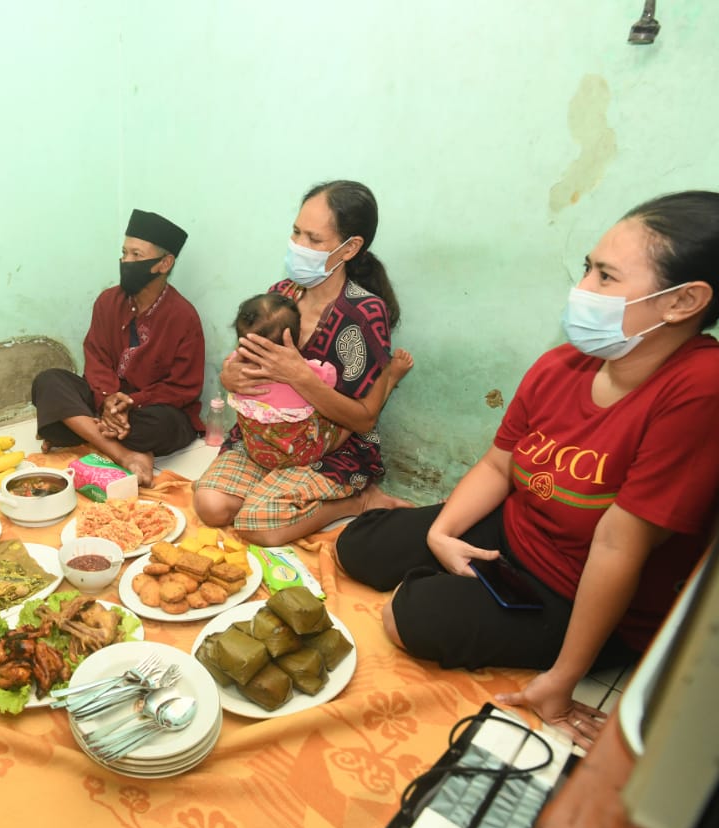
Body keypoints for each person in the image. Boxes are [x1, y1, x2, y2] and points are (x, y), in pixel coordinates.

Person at [335, 190, 719, 749]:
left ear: (683, 301)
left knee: (408, 617)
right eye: (587, 267)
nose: (582, 290)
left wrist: (562, 680)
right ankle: (468, 579)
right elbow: (499, 464)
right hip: (516, 534)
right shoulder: (562, 363)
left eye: (607, 277)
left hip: (578, 588)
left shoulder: (699, 389)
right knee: (357, 546)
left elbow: (617, 545)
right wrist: (441, 534)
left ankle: (496, 611)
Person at [194, 180, 409, 544]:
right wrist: (232, 377)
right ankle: (274, 483)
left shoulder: (363, 313)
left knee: (256, 527)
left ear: (350, 247)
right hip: (266, 438)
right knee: (209, 506)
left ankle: (357, 501)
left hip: (332, 448)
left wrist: (300, 377)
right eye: (296, 232)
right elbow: (247, 359)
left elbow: (363, 417)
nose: (299, 246)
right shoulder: (281, 295)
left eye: (314, 239)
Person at [32, 209, 205, 486]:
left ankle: (88, 430)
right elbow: (96, 358)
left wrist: (131, 402)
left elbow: (183, 388)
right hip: (106, 400)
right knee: (49, 381)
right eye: (124, 253)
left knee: (162, 425)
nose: (126, 261)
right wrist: (110, 399)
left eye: (137, 255)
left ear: (165, 263)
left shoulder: (183, 316)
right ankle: (126, 455)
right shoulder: (107, 301)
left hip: (151, 410)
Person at [225, 292, 412, 470]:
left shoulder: (238, 363)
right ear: (293, 339)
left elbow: (229, 364)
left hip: (258, 450)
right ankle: (389, 376)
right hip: (302, 453)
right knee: (344, 424)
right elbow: (330, 381)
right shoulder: (312, 370)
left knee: (353, 417)